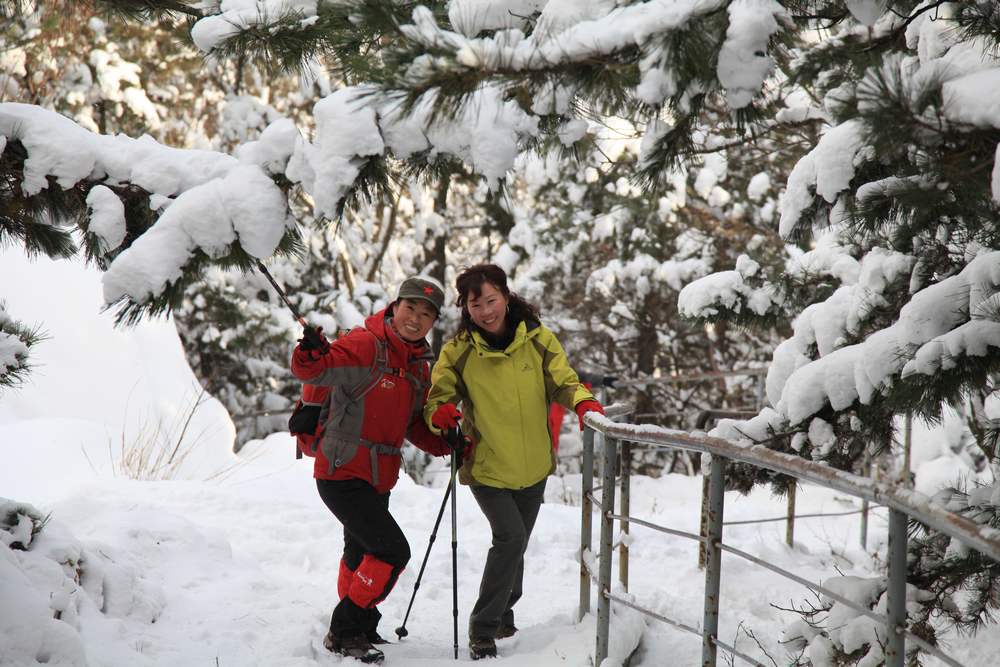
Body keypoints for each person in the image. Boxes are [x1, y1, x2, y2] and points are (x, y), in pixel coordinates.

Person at [423, 263, 604, 660]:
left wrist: (583, 402)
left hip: (534, 467)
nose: (486, 311)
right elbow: (438, 397)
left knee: (515, 545)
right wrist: (440, 415)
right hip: (487, 467)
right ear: (465, 308)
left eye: (491, 300)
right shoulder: (459, 352)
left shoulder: (538, 339)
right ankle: (483, 629)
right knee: (510, 539)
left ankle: (504, 612)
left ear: (506, 296)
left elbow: (563, 381)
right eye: (476, 304)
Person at [291, 276, 455, 665]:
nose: (416, 319)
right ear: (395, 306)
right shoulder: (365, 344)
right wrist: (310, 352)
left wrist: (446, 443)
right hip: (341, 471)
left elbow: (414, 423)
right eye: (411, 308)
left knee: (360, 548)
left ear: (433, 322)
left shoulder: (417, 364)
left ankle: (360, 626)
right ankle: (346, 627)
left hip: (378, 475)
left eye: (426, 314)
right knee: (391, 550)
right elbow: (317, 371)